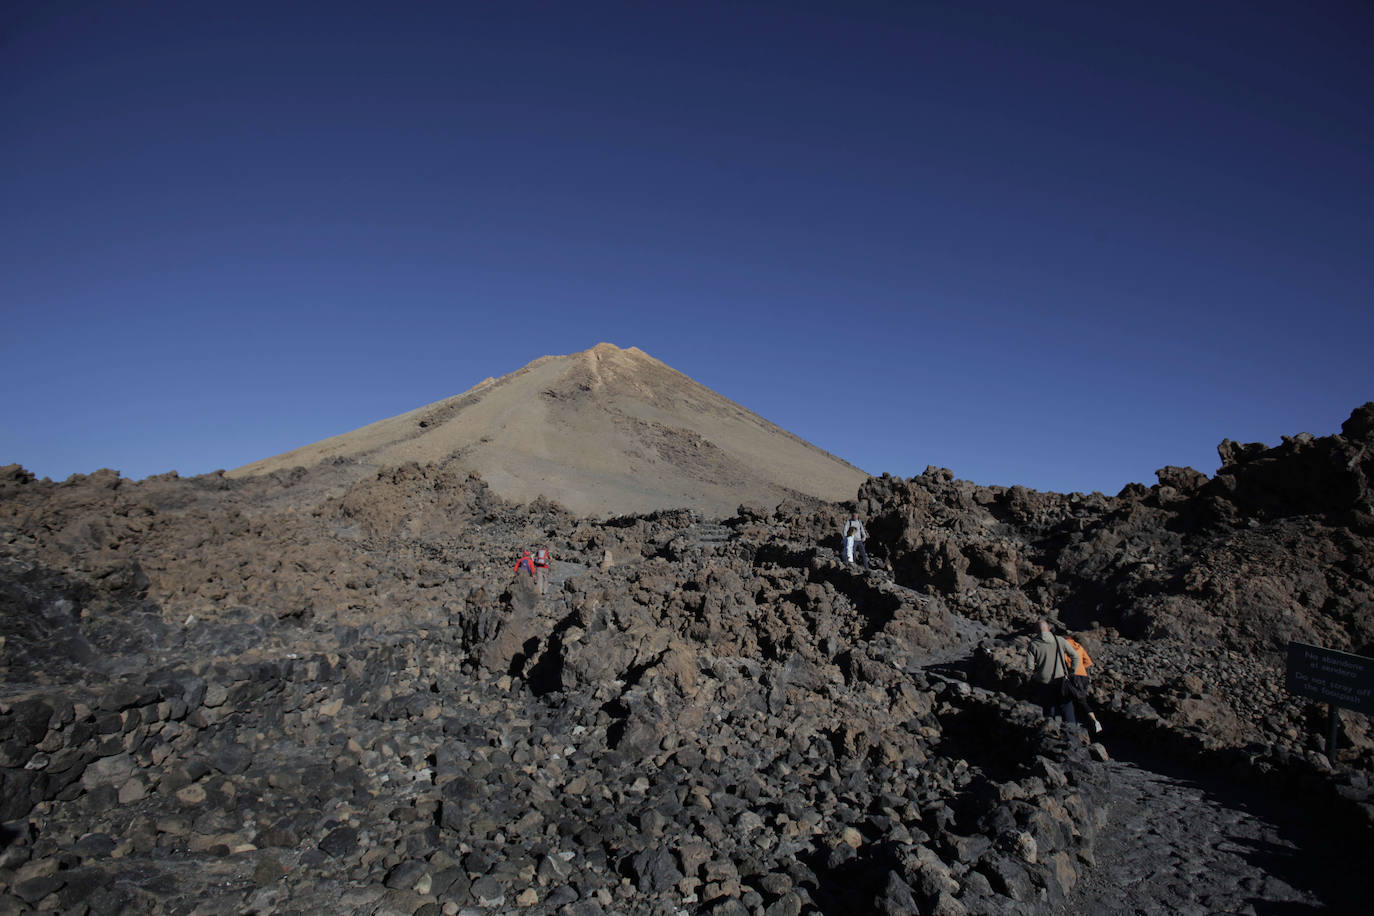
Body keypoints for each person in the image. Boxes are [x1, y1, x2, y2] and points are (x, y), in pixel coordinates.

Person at [1028, 619, 1077, 724]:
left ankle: (1051, 731)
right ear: (1049, 629)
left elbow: (1030, 666)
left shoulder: (1033, 644)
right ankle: (1072, 731)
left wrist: (1036, 674)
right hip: (1061, 679)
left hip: (1044, 681)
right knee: (1066, 707)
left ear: (1036, 630)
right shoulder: (1060, 640)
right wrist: (1071, 671)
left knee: (1049, 709)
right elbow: (1075, 656)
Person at [1065, 633, 1103, 733]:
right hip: (1083, 676)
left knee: (1075, 700)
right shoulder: (1079, 647)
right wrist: (1080, 667)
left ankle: (1092, 721)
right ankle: (1087, 722)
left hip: (1073, 676)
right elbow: (1088, 662)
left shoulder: (1064, 648)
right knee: (1082, 699)